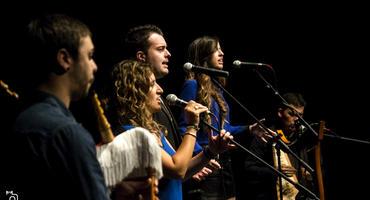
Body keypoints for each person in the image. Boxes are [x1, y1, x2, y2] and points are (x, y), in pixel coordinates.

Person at [6, 14, 154, 200]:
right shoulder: (67, 133)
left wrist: (111, 189)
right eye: (90, 56)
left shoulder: (22, 118)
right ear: (65, 59)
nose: (95, 66)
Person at [106, 59, 234, 200]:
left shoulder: (154, 131)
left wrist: (210, 152)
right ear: (135, 91)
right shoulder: (130, 134)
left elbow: (182, 173)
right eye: (152, 84)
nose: (160, 89)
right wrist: (192, 126)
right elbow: (177, 169)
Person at [178, 35, 249, 200]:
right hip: (206, 163)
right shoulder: (192, 85)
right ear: (204, 55)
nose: (222, 53)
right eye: (216, 50)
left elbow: (223, 129)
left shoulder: (217, 90)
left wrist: (249, 129)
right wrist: (201, 155)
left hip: (224, 162)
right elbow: (184, 126)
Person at [238, 92, 316, 200]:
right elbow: (249, 168)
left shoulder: (301, 137)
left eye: (300, 115)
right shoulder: (265, 135)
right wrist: (274, 170)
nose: (297, 119)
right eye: (292, 114)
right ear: (280, 113)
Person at [122, 24, 182, 149]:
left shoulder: (157, 93)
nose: (168, 54)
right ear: (141, 56)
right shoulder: (136, 98)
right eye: (160, 49)